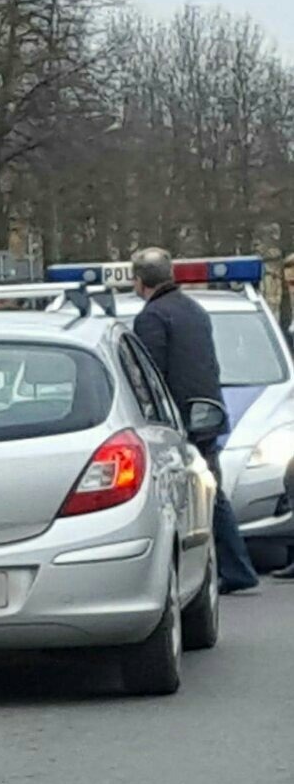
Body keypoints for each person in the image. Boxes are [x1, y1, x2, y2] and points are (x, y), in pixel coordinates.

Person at [130, 246, 258, 594]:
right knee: (210, 493)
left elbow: (151, 377)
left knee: (192, 501)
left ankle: (225, 570)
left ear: (139, 281)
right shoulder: (194, 310)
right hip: (206, 413)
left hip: (179, 421)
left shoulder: (152, 318)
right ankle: (234, 568)